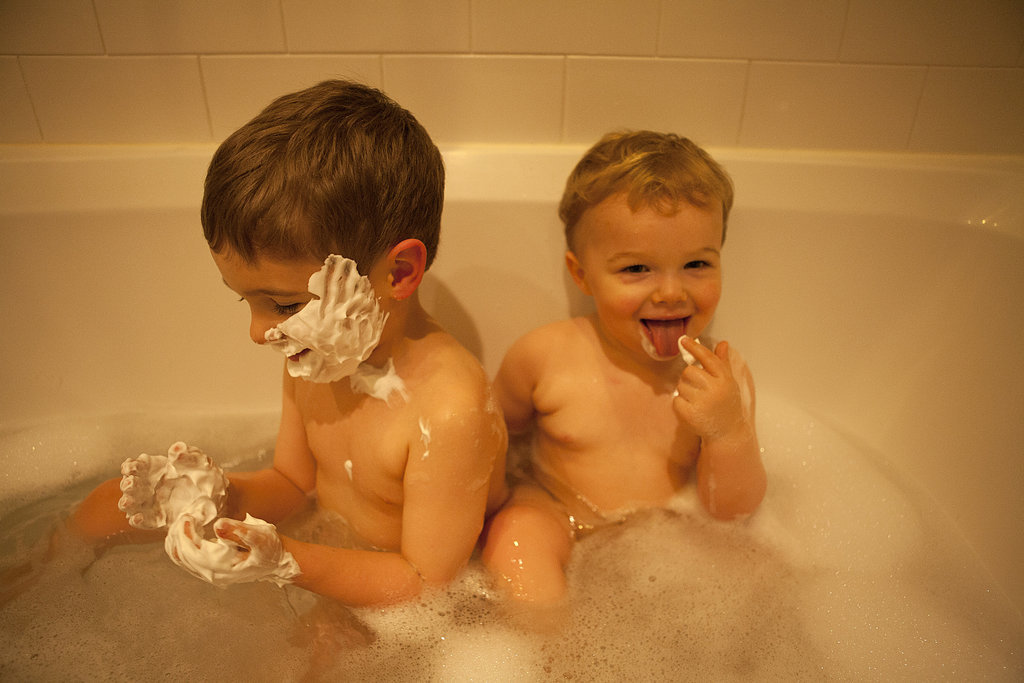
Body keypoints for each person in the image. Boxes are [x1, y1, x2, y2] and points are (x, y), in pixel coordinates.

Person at [68, 79, 509, 607]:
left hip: (402, 595)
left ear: (398, 272)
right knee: (102, 508)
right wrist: (218, 496)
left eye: (282, 306)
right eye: (245, 300)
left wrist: (287, 561)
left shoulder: (450, 412)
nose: (258, 333)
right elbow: (291, 482)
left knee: (320, 642)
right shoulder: (321, 356)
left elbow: (426, 584)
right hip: (342, 559)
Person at [481, 131, 766, 604]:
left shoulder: (723, 378)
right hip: (556, 512)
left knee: (763, 571)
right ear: (582, 274)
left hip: (669, 535)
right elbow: (489, 444)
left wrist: (727, 430)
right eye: (637, 269)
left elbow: (730, 511)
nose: (671, 292)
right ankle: (550, 644)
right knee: (515, 540)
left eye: (697, 264)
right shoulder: (543, 356)